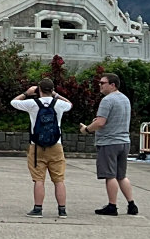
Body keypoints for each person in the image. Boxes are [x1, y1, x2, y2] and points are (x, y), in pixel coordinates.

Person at [11, 78, 73, 217]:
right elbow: (70, 104)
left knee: (39, 179)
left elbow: (14, 102)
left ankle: (38, 209)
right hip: (56, 145)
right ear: (52, 90)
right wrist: (57, 95)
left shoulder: (32, 104)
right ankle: (62, 210)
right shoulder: (59, 104)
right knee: (59, 180)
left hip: (37, 146)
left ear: (39, 90)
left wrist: (26, 93)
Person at [80, 72, 138, 216]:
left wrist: (86, 129)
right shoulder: (125, 99)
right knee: (121, 175)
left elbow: (100, 122)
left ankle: (112, 205)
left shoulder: (107, 100)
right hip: (124, 141)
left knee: (109, 175)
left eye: (102, 83)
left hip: (109, 142)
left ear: (112, 85)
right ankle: (132, 204)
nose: (100, 86)